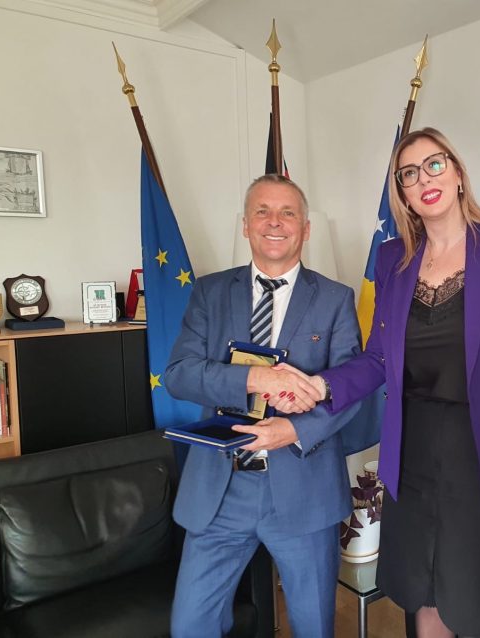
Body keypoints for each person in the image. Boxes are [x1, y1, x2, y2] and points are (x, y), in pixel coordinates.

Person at [280, 127, 480, 637]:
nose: (424, 179)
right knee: (421, 584)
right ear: (401, 192)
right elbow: (379, 358)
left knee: (477, 592)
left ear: (457, 172)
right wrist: (322, 385)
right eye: (409, 173)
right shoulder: (393, 258)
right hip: (412, 447)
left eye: (434, 164)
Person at [165, 173, 363, 638]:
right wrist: (256, 378)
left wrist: (293, 430)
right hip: (220, 490)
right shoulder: (210, 292)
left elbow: (351, 389)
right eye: (262, 211)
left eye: (287, 213)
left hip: (303, 488)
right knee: (190, 625)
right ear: (245, 225)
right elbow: (179, 374)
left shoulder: (335, 299)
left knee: (313, 626)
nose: (275, 222)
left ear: (305, 228)